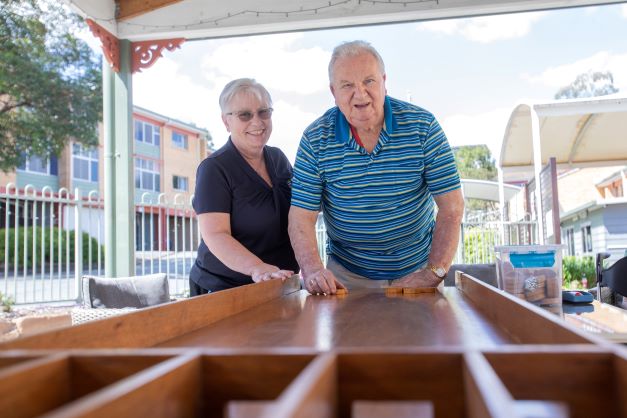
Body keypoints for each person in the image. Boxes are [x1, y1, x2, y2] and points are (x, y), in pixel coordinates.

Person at [289, 41, 464, 295]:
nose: (360, 95)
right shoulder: (315, 138)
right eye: (347, 85)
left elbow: (452, 206)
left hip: (416, 269)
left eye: (369, 81)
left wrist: (433, 272)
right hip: (347, 277)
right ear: (333, 92)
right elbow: (301, 217)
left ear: (384, 81)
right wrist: (314, 270)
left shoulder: (422, 126)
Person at [189, 78, 299, 295]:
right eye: (245, 115)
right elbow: (216, 235)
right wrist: (256, 268)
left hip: (278, 286)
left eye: (263, 112)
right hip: (224, 290)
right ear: (226, 121)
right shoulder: (214, 169)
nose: (257, 122)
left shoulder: (278, 158)